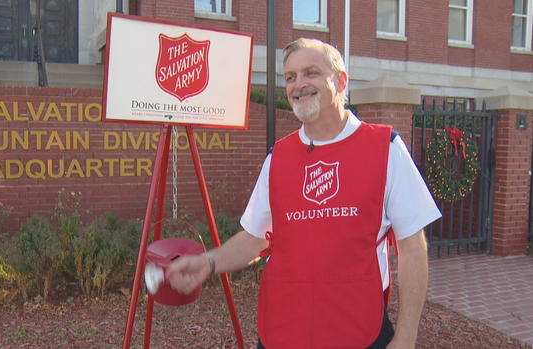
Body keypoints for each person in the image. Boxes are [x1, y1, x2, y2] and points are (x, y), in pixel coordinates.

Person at [166, 38, 441, 349]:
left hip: (359, 331)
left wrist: (406, 337)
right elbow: (256, 237)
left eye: (310, 73)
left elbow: (412, 247)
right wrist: (208, 263)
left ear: (340, 81)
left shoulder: (385, 148)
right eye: (290, 77)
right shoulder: (279, 156)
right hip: (283, 329)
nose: (298, 85)